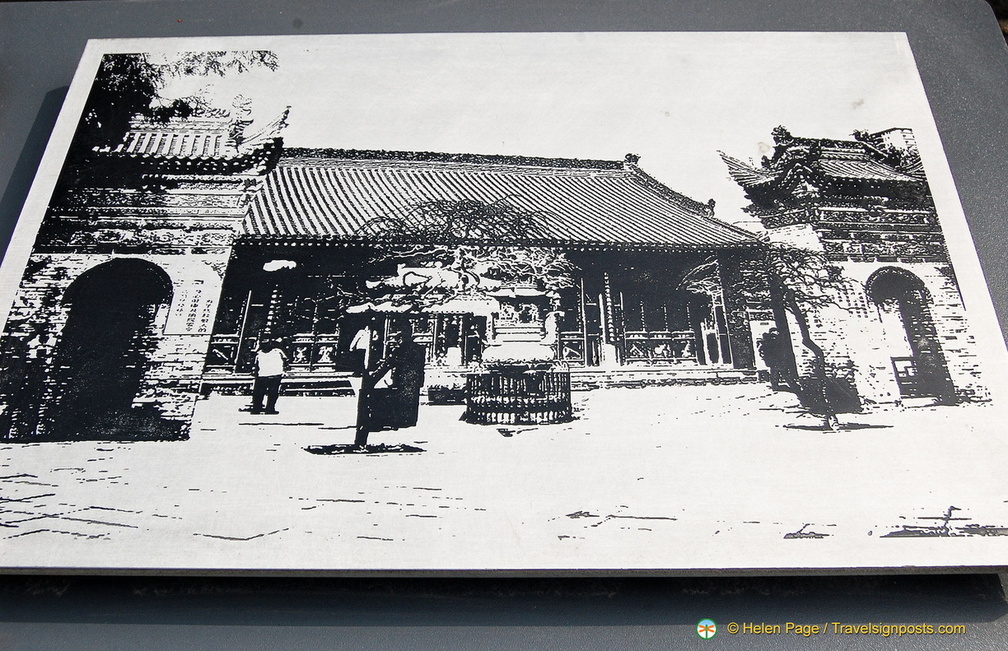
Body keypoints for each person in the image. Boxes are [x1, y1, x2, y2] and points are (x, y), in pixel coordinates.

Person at [354, 319, 425, 447]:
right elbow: (420, 374)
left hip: (400, 389)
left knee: (372, 401)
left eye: (398, 337)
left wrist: (372, 379)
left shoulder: (400, 350)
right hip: (411, 390)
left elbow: (387, 365)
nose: (397, 340)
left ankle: (364, 434)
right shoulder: (419, 349)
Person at [250, 339, 287, 414]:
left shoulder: (259, 353)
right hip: (274, 374)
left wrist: (255, 373)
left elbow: (255, 364)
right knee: (272, 393)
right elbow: (285, 360)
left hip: (264, 375)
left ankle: (257, 408)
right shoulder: (278, 351)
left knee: (259, 393)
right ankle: (269, 409)